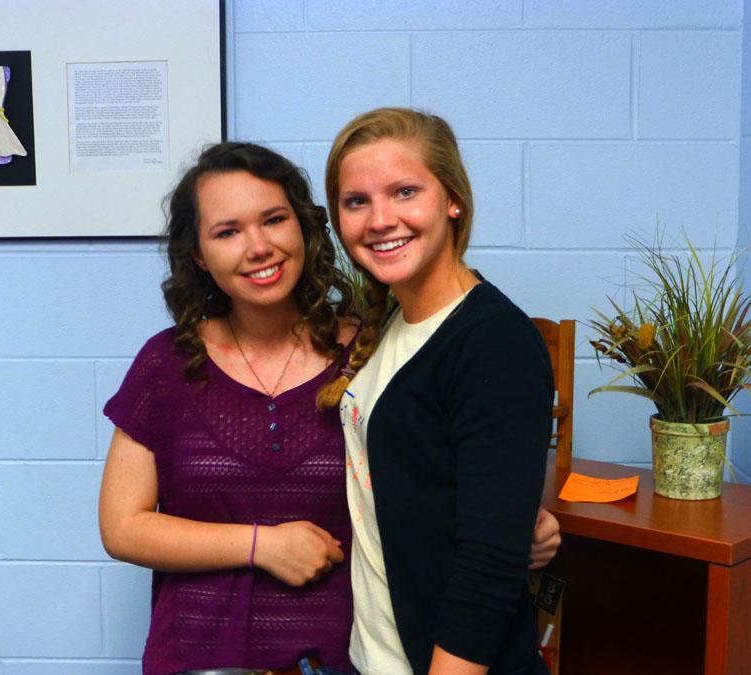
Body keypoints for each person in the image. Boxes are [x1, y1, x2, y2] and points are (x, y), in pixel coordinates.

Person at [99, 141, 560, 675]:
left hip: (348, 659)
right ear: (199, 255)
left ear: (304, 227)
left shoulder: (369, 350)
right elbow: (122, 526)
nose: (258, 247)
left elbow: (434, 471)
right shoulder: (167, 363)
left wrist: (514, 521)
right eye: (227, 232)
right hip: (198, 656)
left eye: (274, 220)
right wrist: (260, 545)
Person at [317, 108, 555, 675]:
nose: (380, 220)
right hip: (376, 658)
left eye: (404, 191)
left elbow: (490, 565)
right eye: (356, 202)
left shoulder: (493, 340)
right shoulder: (393, 323)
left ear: (452, 200)